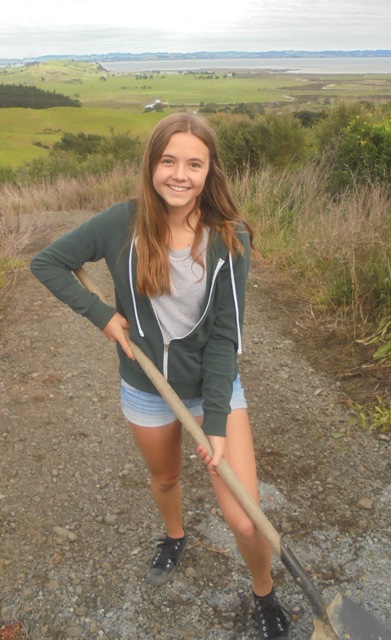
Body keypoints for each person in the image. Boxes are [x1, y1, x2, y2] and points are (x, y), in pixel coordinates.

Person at [30, 113, 291, 640]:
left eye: (194, 164)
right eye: (169, 160)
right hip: (146, 388)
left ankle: (264, 591)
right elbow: (48, 263)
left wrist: (214, 421)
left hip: (212, 389)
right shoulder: (121, 224)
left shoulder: (229, 236)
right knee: (166, 477)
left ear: (210, 170)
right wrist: (102, 315)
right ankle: (174, 536)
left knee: (244, 517)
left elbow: (226, 338)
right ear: (151, 164)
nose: (180, 174)